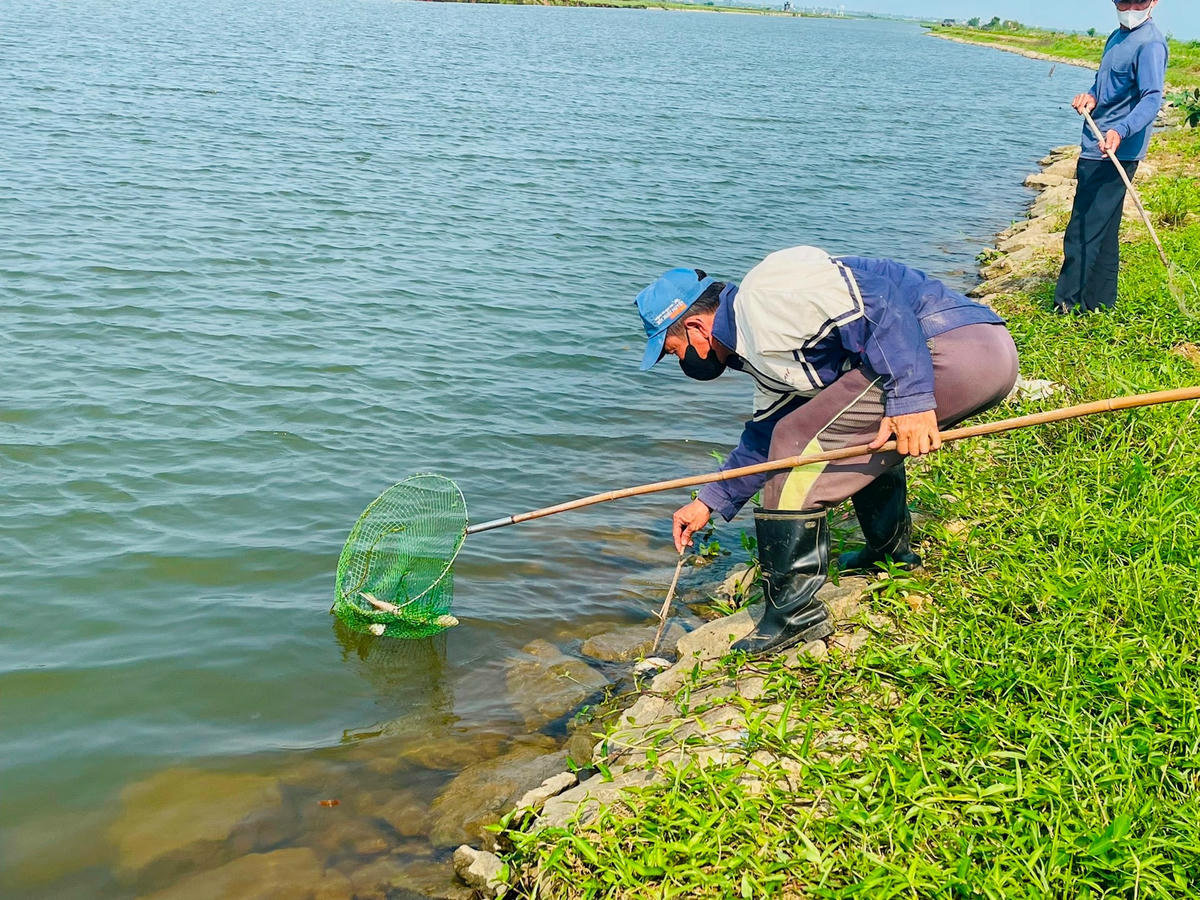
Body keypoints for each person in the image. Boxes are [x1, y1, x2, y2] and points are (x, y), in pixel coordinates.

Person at [635, 246, 1020, 655]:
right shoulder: (760, 348)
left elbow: (881, 301)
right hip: (980, 351)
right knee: (838, 431)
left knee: (795, 442)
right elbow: (763, 438)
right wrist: (710, 501)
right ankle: (889, 555)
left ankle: (793, 615)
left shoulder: (763, 298)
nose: (682, 362)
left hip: (951, 351)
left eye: (674, 350)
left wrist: (911, 399)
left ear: (695, 327)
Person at [1054, 0, 1168, 314]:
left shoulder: (1150, 43)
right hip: (1095, 144)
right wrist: (1090, 97)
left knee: (1082, 229)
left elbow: (1152, 97)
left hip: (1115, 151)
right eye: (1123, 0)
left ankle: (1065, 304)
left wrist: (1121, 129)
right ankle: (1099, 306)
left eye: (1139, 1)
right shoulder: (1116, 37)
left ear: (1153, 2)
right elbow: (1104, 86)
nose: (1130, 6)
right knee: (1103, 231)